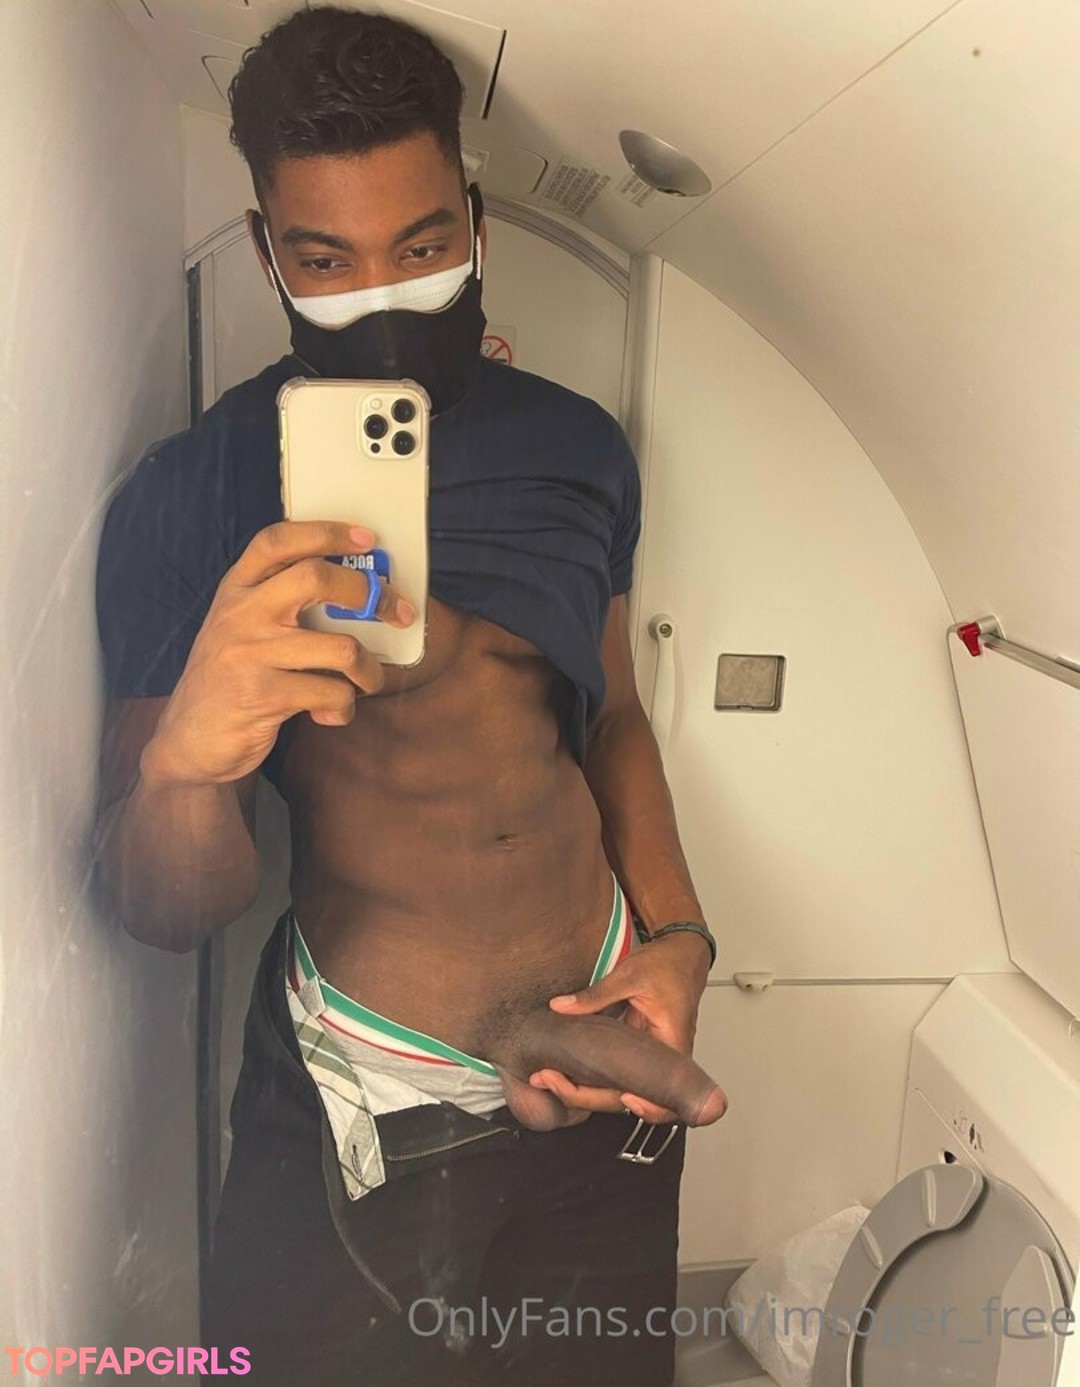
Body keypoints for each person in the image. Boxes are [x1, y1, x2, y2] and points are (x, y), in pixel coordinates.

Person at [91, 6, 725, 1384]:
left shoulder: (578, 449)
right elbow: (158, 908)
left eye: (423, 247)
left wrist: (677, 939)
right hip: (364, 1096)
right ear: (267, 249)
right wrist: (184, 768)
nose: (379, 297)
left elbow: (612, 715)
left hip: (606, 1041)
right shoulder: (194, 497)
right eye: (326, 260)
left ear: (478, 225)